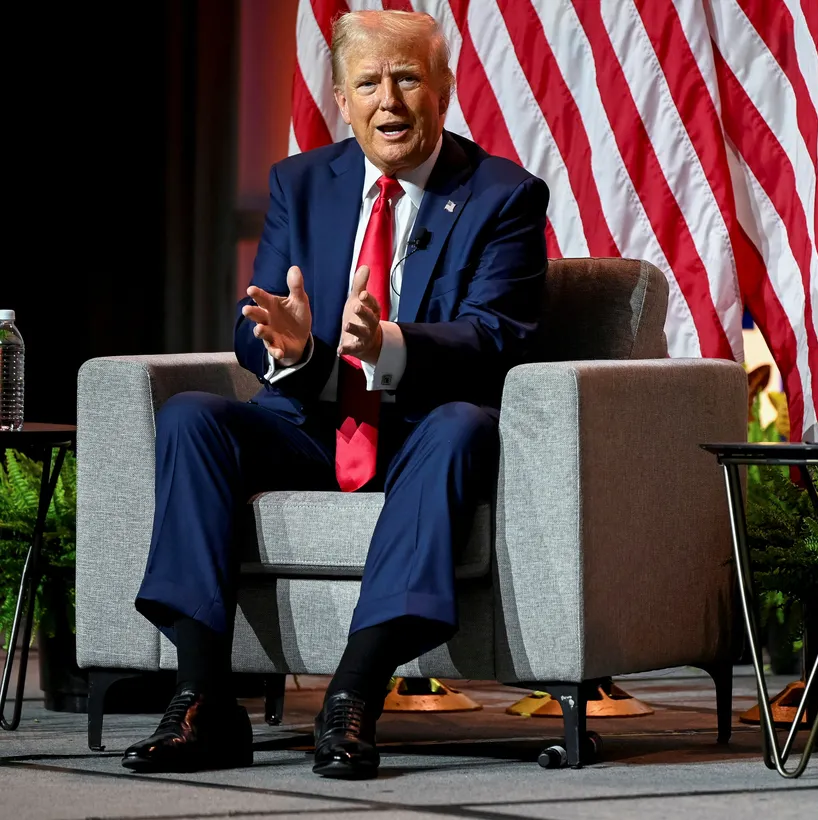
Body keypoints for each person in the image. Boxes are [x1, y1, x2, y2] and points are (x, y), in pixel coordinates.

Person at [121, 10, 548, 781]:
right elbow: (262, 324)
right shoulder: (302, 183)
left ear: (445, 88)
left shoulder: (502, 196)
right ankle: (202, 699)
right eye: (369, 83)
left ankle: (353, 695)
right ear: (343, 100)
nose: (390, 101)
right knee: (191, 416)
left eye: (409, 78)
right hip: (315, 425)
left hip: (424, 434)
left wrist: (388, 344)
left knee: (458, 428)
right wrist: (293, 348)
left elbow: (495, 338)